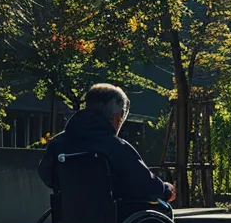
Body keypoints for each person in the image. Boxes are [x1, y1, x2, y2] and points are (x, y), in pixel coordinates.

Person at [38, 83, 177, 211]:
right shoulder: (116, 147)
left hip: (70, 217)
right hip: (112, 219)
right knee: (161, 211)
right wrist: (165, 189)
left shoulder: (58, 143)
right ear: (117, 117)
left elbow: (46, 174)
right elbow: (144, 184)